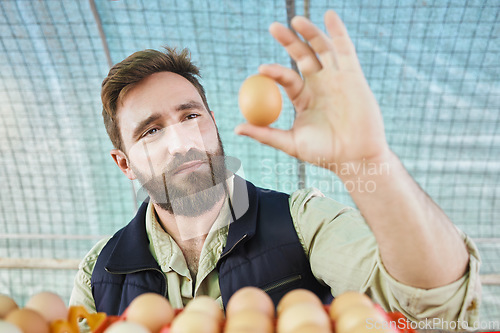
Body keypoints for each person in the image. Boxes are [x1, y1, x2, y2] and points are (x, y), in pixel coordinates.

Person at [70, 9, 481, 327]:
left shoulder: (301, 223)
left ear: (213, 122)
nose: (181, 141)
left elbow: (434, 308)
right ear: (124, 163)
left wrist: (369, 162)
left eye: (191, 116)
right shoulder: (98, 272)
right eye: (151, 130)